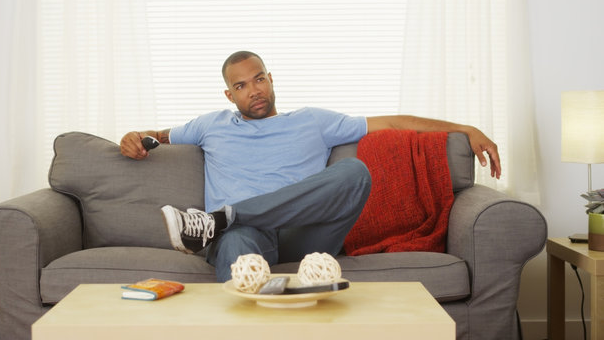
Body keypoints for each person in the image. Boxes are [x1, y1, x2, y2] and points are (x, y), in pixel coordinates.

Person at [120, 50, 501, 281]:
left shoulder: (313, 121)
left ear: (271, 79)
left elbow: (393, 121)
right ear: (229, 94)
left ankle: (222, 217)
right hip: (244, 238)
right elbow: (158, 134)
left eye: (259, 79)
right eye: (241, 85)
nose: (253, 90)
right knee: (237, 242)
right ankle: (229, 226)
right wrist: (135, 136)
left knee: (356, 172)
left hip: (302, 237)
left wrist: (464, 128)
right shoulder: (209, 125)